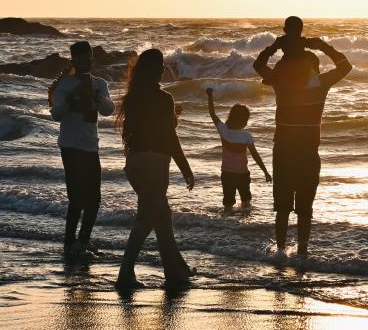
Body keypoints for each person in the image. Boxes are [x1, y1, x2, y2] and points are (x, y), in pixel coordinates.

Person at [253, 16, 352, 257]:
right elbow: (346, 67)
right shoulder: (320, 83)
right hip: (308, 153)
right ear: (313, 66)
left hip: (284, 152)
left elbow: (258, 65)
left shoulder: (280, 80)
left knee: (283, 208)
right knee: (305, 208)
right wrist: (324, 46)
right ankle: (303, 253)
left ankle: (280, 252)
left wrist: (275, 46)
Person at [115, 48, 196, 290]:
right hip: (154, 164)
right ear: (153, 69)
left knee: (162, 217)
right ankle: (125, 273)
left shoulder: (132, 97)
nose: (163, 69)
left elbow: (140, 131)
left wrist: (170, 118)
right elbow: (168, 137)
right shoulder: (163, 99)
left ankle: (176, 270)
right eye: (160, 65)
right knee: (145, 220)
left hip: (135, 163)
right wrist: (185, 168)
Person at [49, 41, 115, 258]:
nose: (85, 62)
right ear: (73, 60)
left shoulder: (100, 84)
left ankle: (83, 240)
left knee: (94, 200)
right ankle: (69, 242)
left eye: (88, 58)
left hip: (90, 146)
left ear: (92, 60)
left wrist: (96, 96)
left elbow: (109, 110)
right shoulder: (65, 84)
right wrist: (71, 96)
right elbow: (56, 114)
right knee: (76, 199)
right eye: (80, 58)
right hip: (69, 145)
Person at [205, 87, 272, 213]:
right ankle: (244, 227)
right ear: (245, 121)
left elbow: (212, 113)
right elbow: (256, 156)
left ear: (231, 116)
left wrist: (210, 96)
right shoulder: (247, 136)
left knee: (228, 204)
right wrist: (265, 172)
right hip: (242, 174)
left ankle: (227, 224)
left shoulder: (223, 130)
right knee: (246, 202)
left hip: (227, 174)